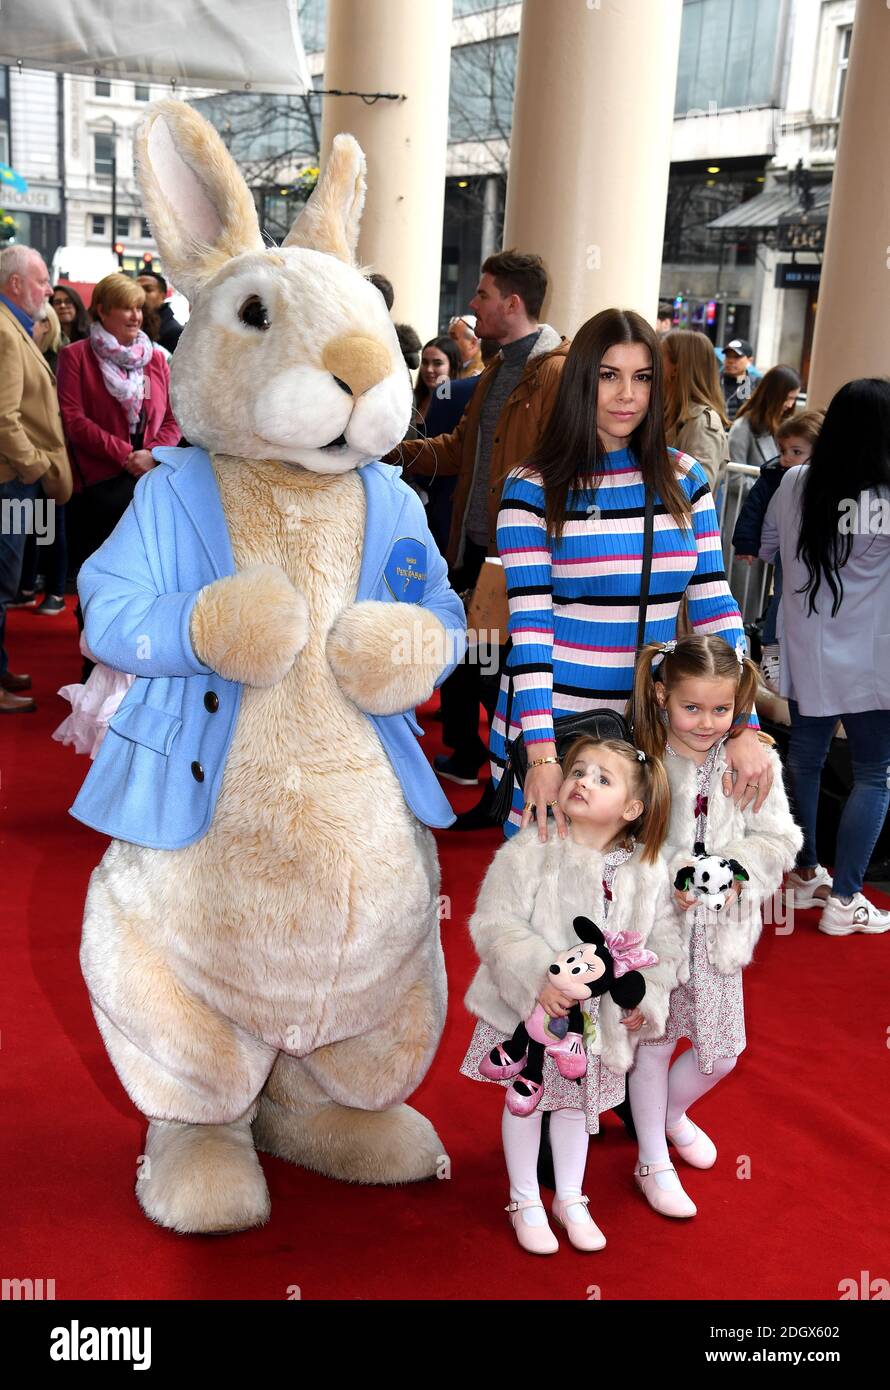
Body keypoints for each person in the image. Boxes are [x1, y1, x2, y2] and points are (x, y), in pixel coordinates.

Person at [494, 307, 775, 839]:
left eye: (642, 377)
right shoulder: (532, 487)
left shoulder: (684, 478)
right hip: (559, 723)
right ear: (582, 380)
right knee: (553, 899)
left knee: (639, 901)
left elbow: (716, 604)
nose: (627, 394)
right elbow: (530, 628)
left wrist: (743, 724)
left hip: (658, 722)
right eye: (609, 375)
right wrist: (541, 755)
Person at [460, 735, 684, 1253]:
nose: (582, 781)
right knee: (527, 1101)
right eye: (578, 771)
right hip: (531, 1012)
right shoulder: (534, 846)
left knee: (576, 1111)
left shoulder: (646, 870)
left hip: (595, 1026)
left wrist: (644, 999)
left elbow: (664, 948)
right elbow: (495, 922)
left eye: (602, 779)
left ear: (632, 808)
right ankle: (524, 1198)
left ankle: (570, 1196)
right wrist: (540, 977)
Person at [628, 635, 802, 1217]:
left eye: (721, 710)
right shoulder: (640, 766)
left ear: (739, 707)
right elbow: (617, 851)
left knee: (721, 1053)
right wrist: (673, 877)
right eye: (692, 708)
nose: (706, 723)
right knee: (650, 1047)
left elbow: (781, 841)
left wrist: (733, 869)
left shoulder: (755, 763)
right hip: (657, 934)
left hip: (722, 937)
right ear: (662, 696)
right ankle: (652, 1158)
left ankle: (672, 1116)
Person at [394, 250, 569, 791]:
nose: (473, 306)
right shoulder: (497, 370)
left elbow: (564, 465)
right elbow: (459, 451)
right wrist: (390, 449)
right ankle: (491, 780)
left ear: (512, 303)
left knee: (506, 683)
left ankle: (510, 792)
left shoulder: (556, 374)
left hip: (521, 560)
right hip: (477, 553)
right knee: (480, 671)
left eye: (484, 295)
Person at [760, 378, 890, 936]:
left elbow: (765, 548)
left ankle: (808, 872)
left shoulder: (794, 482)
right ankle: (846, 897)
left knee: (805, 760)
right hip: (873, 656)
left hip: (808, 647)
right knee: (874, 773)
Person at [57, 272, 180, 657]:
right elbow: (73, 419)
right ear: (102, 311)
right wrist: (125, 456)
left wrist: (153, 454)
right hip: (98, 486)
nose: (134, 316)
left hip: (149, 483)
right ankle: (94, 662)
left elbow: (175, 420)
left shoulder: (156, 357)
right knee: (96, 578)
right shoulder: (76, 355)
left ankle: (133, 662)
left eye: (139, 308)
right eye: (125, 308)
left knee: (144, 578)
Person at [0, 245, 72, 712]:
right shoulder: (6, 333)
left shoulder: (16, 329)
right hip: (10, 480)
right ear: (15, 285)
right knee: (1, 585)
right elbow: (3, 417)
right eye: (42, 280)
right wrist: (34, 466)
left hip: (17, 481)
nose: (48, 289)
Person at [732, 410, 823, 692]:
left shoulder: (826, 483)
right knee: (780, 602)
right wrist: (748, 544)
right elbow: (753, 510)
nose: (787, 458)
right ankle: (772, 653)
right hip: (788, 553)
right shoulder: (774, 476)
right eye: (784, 450)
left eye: (797, 451)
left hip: (808, 551)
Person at [14, 304, 70, 616]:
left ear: (47, 326)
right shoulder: (16, 354)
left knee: (49, 530)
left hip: (48, 460)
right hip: (19, 460)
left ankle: (56, 591)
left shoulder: (59, 359)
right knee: (22, 526)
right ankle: (24, 586)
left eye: (34, 322)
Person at [662, 328, 730, 493]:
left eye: (660, 356)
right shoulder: (669, 413)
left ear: (676, 369)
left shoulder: (702, 423)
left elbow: (697, 492)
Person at [728, 365, 801, 472]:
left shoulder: (787, 425)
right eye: (787, 398)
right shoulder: (742, 428)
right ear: (772, 395)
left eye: (794, 399)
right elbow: (735, 480)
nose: (790, 405)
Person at [136, 270, 184, 354]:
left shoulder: (175, 332)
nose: (140, 294)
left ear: (163, 295)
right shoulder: (130, 326)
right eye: (136, 290)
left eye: (148, 289)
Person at [719, 338, 757, 422]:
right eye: (728, 356)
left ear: (749, 360)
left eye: (736, 357)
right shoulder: (714, 381)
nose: (730, 361)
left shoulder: (756, 384)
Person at [448, 313, 484, 378]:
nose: (448, 342)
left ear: (473, 343)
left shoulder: (481, 374)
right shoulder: (448, 366)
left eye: (454, 338)